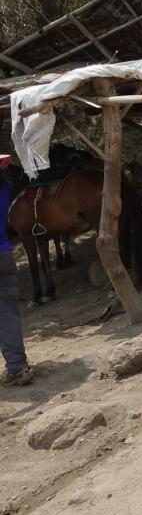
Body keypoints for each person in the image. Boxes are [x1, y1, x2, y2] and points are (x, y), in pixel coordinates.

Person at [0, 154, 32, 387]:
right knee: (7, 312)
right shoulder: (6, 189)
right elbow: (19, 175)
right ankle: (18, 367)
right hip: (4, 256)